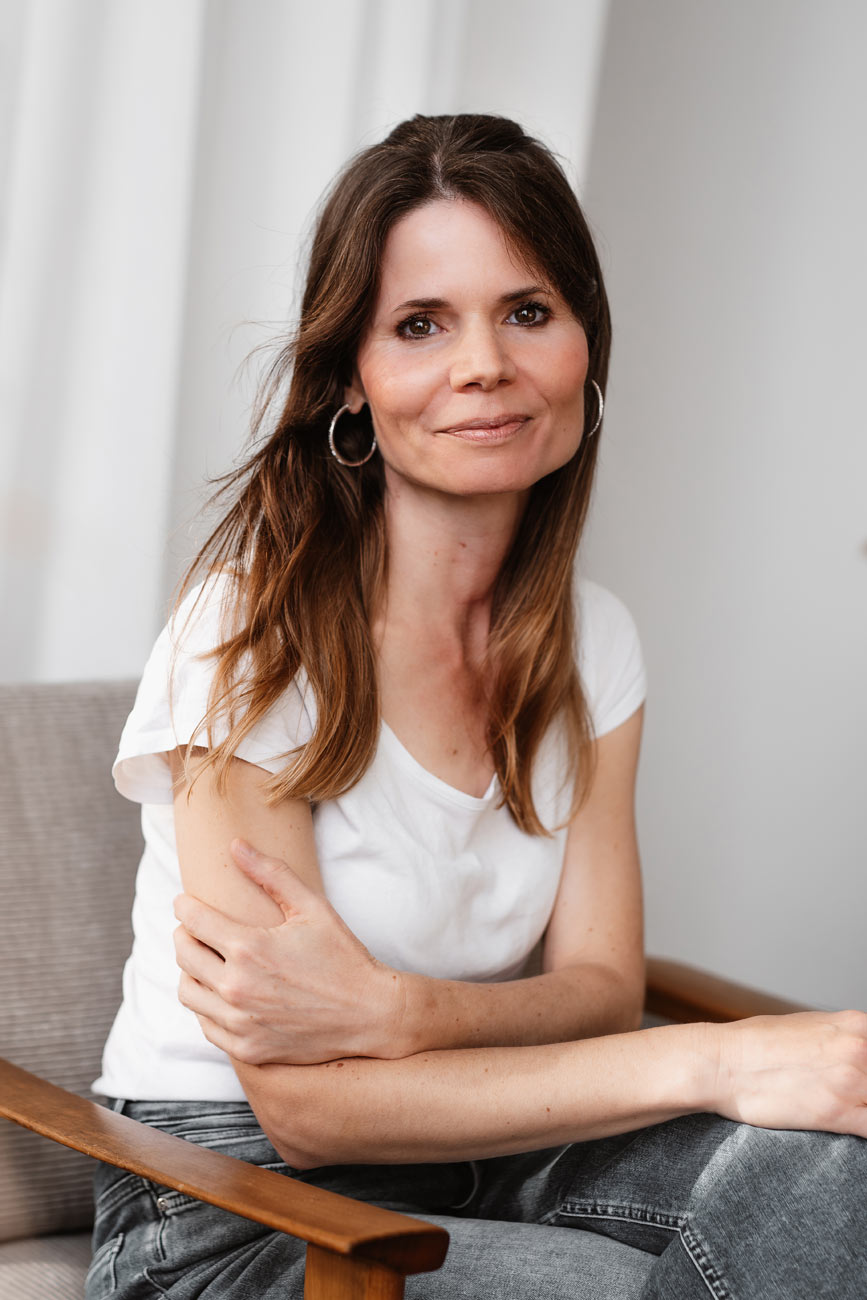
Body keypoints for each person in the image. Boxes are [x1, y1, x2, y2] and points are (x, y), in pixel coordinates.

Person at [88, 114, 867, 1300]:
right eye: (419, 325)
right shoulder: (250, 630)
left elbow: (603, 985)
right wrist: (721, 1056)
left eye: (527, 311)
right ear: (354, 372)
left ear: (584, 344)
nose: (483, 366)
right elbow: (309, 1104)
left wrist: (395, 1009)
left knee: (839, 1157)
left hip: (483, 1151)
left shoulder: (592, 642)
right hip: (223, 1207)